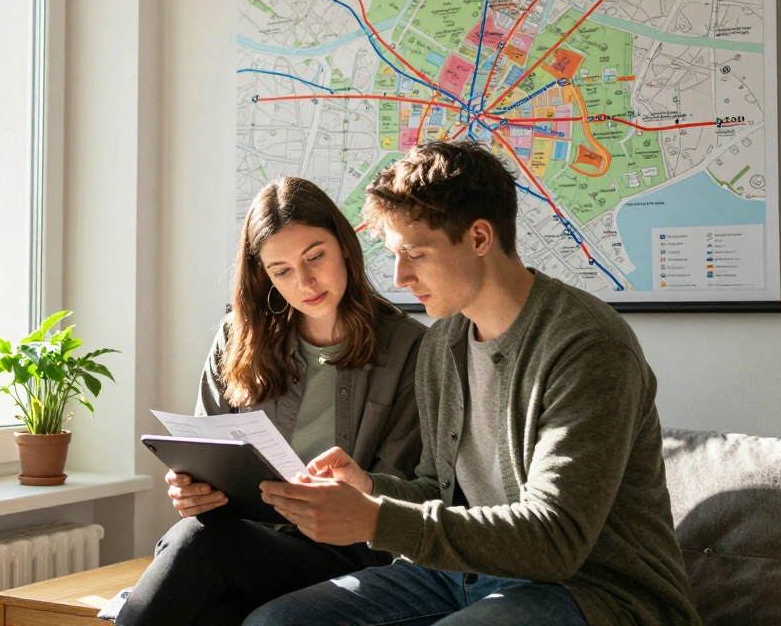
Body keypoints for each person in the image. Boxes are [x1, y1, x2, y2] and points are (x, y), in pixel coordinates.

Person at [250, 141, 701, 626]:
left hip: (594, 591)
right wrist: (368, 489)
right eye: (396, 255)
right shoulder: (442, 343)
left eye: (414, 254)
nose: (400, 277)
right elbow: (438, 491)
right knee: (274, 623)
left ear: (480, 237)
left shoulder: (588, 346)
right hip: (461, 575)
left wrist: (376, 519)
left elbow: (556, 539)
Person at [114, 176, 427, 626]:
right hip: (246, 543)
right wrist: (191, 491)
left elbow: (404, 490)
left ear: (344, 246)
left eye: (315, 257)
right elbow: (206, 453)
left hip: (349, 554)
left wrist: (355, 489)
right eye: (282, 271)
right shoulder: (237, 340)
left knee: (196, 545)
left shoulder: (410, 349)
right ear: (264, 276)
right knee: (207, 586)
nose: (305, 282)